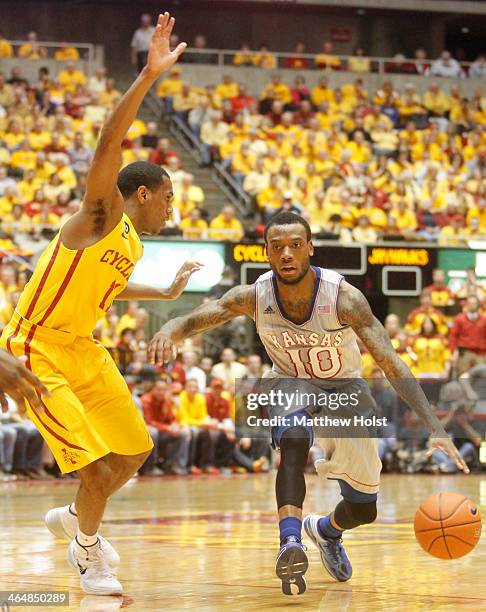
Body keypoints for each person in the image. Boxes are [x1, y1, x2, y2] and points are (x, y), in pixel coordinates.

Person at [149, 211, 467, 596]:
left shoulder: (344, 298)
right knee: (293, 442)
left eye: (295, 245)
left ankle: (326, 531)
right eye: (277, 247)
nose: (286, 254)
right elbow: (203, 316)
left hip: (344, 390)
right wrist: (168, 328)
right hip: (290, 381)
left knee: (364, 508)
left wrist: (434, 425)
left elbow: (390, 362)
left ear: (310, 249)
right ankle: (290, 541)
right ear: (266, 252)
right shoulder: (255, 295)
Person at [0, 13, 200, 597]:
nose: (171, 207)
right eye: (167, 197)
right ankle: (86, 551)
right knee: (93, 469)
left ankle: (74, 519)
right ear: (141, 193)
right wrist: (147, 77)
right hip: (36, 347)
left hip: (84, 350)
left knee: (135, 451)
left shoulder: (131, 243)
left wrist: (160, 292)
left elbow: (105, 289)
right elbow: (108, 142)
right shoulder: (103, 215)